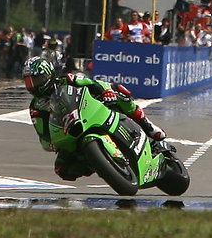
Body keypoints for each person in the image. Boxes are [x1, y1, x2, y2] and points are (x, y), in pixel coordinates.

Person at [23, 56, 167, 180]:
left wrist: (106, 92)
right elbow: (43, 136)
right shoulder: (36, 107)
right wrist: (52, 143)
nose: (32, 86)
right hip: (71, 132)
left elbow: (93, 83)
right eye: (28, 82)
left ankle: (147, 125)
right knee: (62, 169)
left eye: (35, 80)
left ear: (48, 75)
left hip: (92, 110)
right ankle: (99, 164)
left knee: (119, 92)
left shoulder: (66, 79)